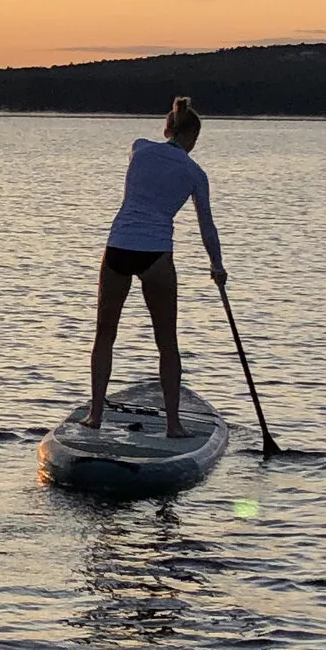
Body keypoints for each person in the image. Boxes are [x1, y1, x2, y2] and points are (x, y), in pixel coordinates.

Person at [86, 97, 226, 436]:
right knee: (167, 342)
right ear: (193, 136)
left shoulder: (140, 148)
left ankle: (95, 415)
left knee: (105, 334)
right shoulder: (195, 173)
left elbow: (146, 159)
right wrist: (216, 266)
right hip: (156, 255)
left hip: (119, 246)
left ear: (167, 129)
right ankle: (174, 425)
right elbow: (207, 225)